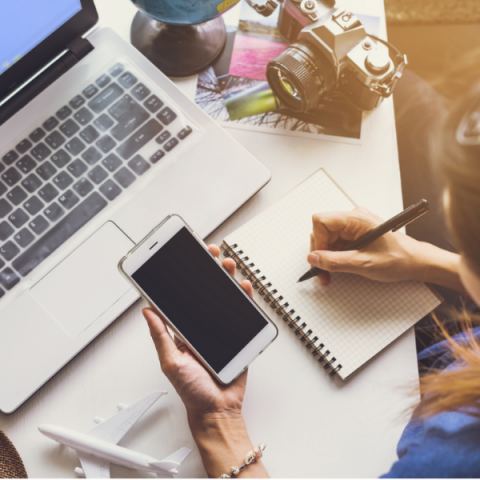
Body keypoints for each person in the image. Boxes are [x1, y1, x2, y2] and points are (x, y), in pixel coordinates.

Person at [142, 59, 480, 477]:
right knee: (405, 89)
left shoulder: (452, 456)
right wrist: (426, 259)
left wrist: (217, 421)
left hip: (445, 363)